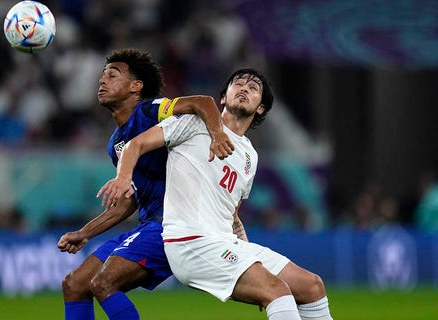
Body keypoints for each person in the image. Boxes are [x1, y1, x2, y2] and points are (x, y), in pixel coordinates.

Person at [98, 69, 333, 320]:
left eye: (253, 88)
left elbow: (232, 216)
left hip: (224, 241)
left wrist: (249, 260)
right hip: (189, 242)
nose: (244, 88)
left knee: (311, 286)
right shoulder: (193, 122)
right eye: (238, 84)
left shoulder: (249, 156)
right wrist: (123, 178)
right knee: (278, 292)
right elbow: (136, 144)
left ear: (261, 109)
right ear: (223, 98)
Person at [57, 48, 234, 320]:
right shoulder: (115, 143)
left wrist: (217, 133)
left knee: (104, 283)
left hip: (172, 223)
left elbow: (203, 102)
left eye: (112, 75)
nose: (102, 81)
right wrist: (85, 233)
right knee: (75, 284)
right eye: (103, 76)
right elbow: (126, 202)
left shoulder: (149, 111)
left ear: (135, 87)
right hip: (148, 223)